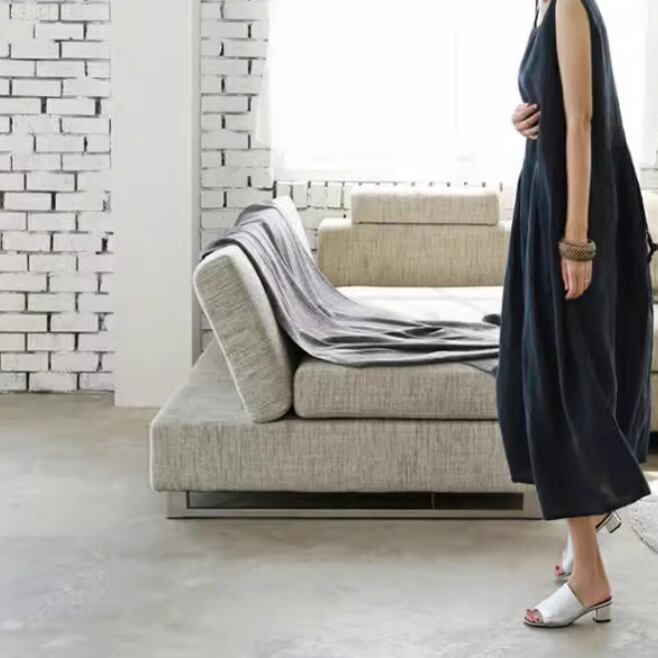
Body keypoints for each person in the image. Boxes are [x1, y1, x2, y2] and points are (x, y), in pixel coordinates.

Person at [496, 0, 657, 628]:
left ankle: (590, 578)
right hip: (548, 195)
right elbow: (565, 109)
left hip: (572, 212)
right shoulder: (546, 6)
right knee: (555, 375)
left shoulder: (566, 3)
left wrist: (576, 240)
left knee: (566, 386)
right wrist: (525, 119)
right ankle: (584, 531)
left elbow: (585, 122)